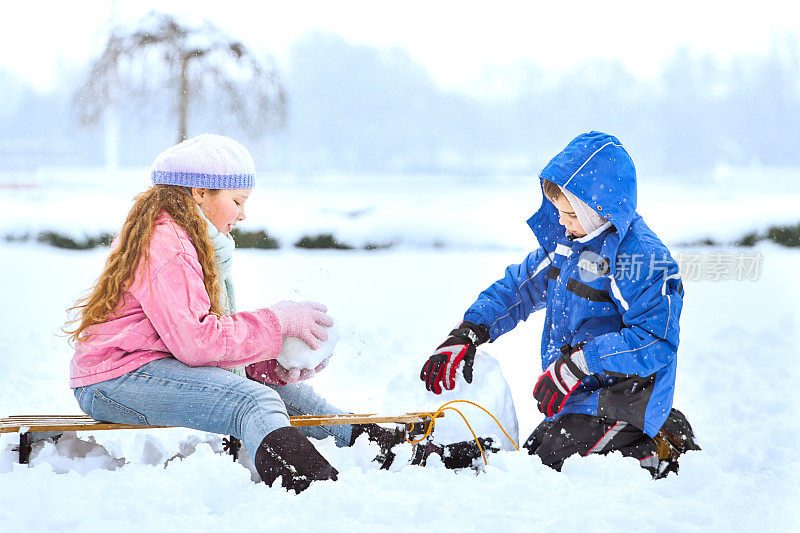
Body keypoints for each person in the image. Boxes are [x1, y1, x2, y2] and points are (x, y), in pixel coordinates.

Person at [66, 134, 416, 493]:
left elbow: (186, 336)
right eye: (237, 201)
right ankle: (316, 489)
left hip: (147, 366)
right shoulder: (167, 244)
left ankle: (388, 450)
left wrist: (263, 363)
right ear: (199, 192)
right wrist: (277, 323)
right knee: (254, 400)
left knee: (285, 395)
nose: (243, 214)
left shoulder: (185, 238)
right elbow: (197, 342)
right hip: (114, 380)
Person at [420, 131, 699, 478]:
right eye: (559, 212)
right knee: (534, 455)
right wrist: (470, 331)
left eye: (571, 213)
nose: (563, 223)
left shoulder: (641, 258)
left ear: (599, 209)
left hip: (625, 395)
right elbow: (517, 289)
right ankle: (638, 432)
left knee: (549, 470)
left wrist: (580, 364)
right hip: (580, 393)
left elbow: (656, 340)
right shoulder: (568, 245)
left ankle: (654, 448)